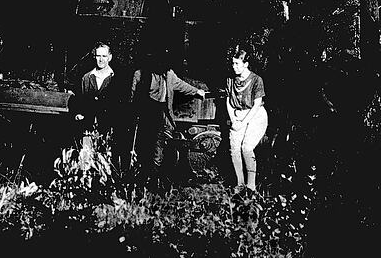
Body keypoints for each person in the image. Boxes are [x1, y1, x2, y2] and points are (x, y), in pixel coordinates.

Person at [131, 48, 206, 185]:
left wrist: (197, 91)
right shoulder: (140, 74)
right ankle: (142, 177)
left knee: (159, 145)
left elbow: (181, 85)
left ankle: (155, 177)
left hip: (161, 114)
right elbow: (132, 97)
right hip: (145, 114)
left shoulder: (169, 75)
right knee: (144, 147)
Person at [71, 42, 132, 171]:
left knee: (106, 163)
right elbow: (79, 100)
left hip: (109, 128)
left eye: (104, 56)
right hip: (88, 127)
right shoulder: (87, 78)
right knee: (86, 161)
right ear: (94, 57)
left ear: (110, 57)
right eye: (98, 56)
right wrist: (78, 113)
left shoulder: (117, 79)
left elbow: (123, 105)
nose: (101, 59)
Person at [224, 46, 268, 191]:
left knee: (246, 147)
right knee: (234, 149)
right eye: (233, 63)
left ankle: (251, 186)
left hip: (255, 116)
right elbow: (229, 101)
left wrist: (243, 122)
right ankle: (240, 184)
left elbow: (256, 105)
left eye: (237, 63)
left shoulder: (256, 80)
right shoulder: (230, 80)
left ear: (246, 64)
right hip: (238, 116)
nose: (234, 66)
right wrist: (234, 120)